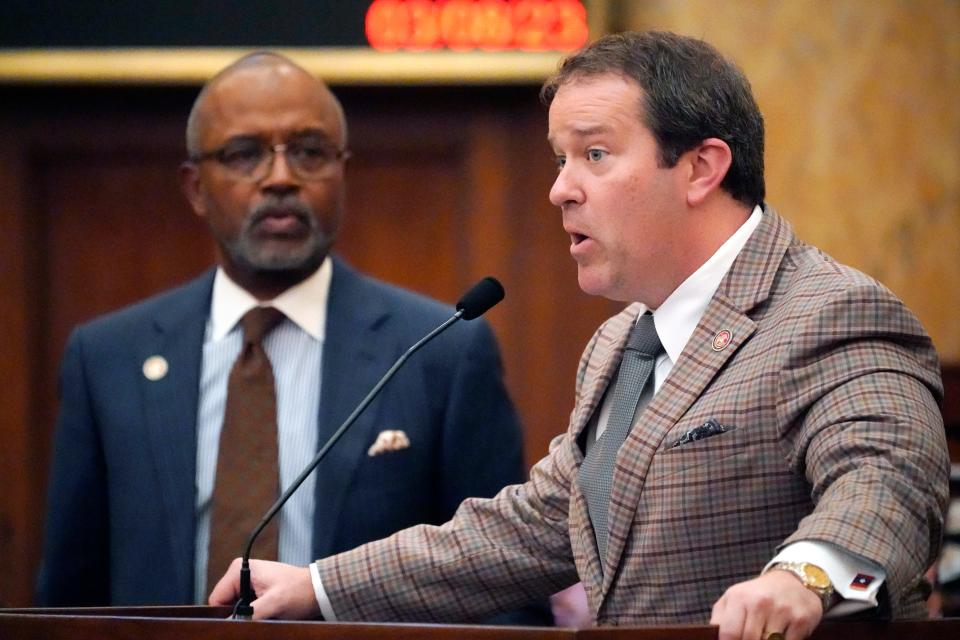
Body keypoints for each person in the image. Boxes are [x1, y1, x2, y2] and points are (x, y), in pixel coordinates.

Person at [209, 31, 950, 640]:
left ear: (701, 168)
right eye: (560, 159)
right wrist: (321, 586)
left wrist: (805, 577)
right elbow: (534, 525)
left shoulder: (831, 311)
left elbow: (886, 476)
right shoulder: (622, 341)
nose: (561, 187)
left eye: (594, 155)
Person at [36, 53, 541, 625]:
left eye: (309, 151)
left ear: (342, 172)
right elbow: (68, 600)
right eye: (245, 154)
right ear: (196, 187)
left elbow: (508, 585)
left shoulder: (440, 349)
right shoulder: (107, 358)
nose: (280, 177)